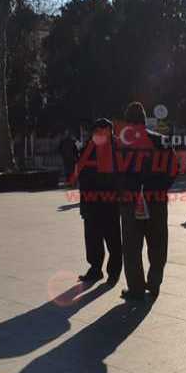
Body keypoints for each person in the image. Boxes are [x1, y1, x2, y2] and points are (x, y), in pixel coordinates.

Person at [117, 102, 178, 301]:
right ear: (144, 119)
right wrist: (161, 188)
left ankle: (135, 289)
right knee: (158, 243)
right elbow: (174, 169)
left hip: (130, 201)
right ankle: (154, 283)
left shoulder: (120, 144)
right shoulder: (161, 141)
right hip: (156, 200)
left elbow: (111, 173)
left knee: (132, 248)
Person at [76, 118, 122, 285]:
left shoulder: (117, 147)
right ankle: (95, 269)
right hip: (92, 201)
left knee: (113, 238)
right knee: (93, 238)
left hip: (110, 201)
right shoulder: (89, 146)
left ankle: (113, 273)